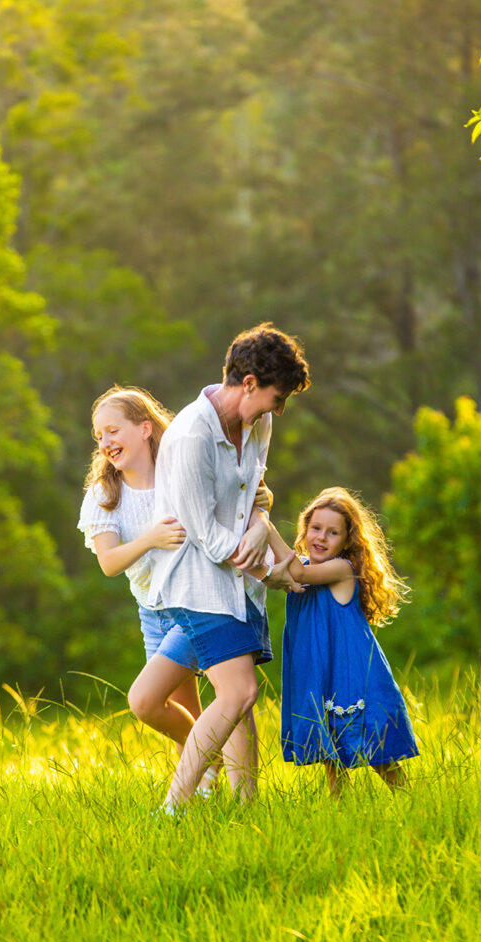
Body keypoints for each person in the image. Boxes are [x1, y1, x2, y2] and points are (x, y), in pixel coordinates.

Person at [147, 322, 311, 812]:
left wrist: (262, 524)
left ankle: (246, 807)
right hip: (197, 583)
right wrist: (272, 571)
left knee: (239, 703)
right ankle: (172, 807)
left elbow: (254, 497)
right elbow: (214, 541)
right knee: (238, 693)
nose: (279, 410)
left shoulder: (258, 423)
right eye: (277, 398)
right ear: (248, 384)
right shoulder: (190, 438)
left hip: (239, 586)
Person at [78, 386, 237, 788]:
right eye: (99, 436)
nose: (106, 442)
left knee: (146, 701)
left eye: (113, 430)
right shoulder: (104, 495)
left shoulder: (177, 473)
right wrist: (150, 538)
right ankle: (205, 789)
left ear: (145, 428)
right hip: (153, 613)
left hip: (195, 604)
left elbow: (232, 492)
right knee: (181, 716)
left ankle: (220, 777)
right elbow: (109, 563)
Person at [268, 486, 419, 796]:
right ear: (305, 528)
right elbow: (275, 573)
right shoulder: (305, 569)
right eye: (316, 528)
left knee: (377, 749)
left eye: (333, 532)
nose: (321, 537)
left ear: (348, 540)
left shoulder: (340, 570)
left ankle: (413, 801)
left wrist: (264, 525)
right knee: (330, 753)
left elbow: (295, 570)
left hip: (351, 672)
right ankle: (341, 808)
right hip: (319, 672)